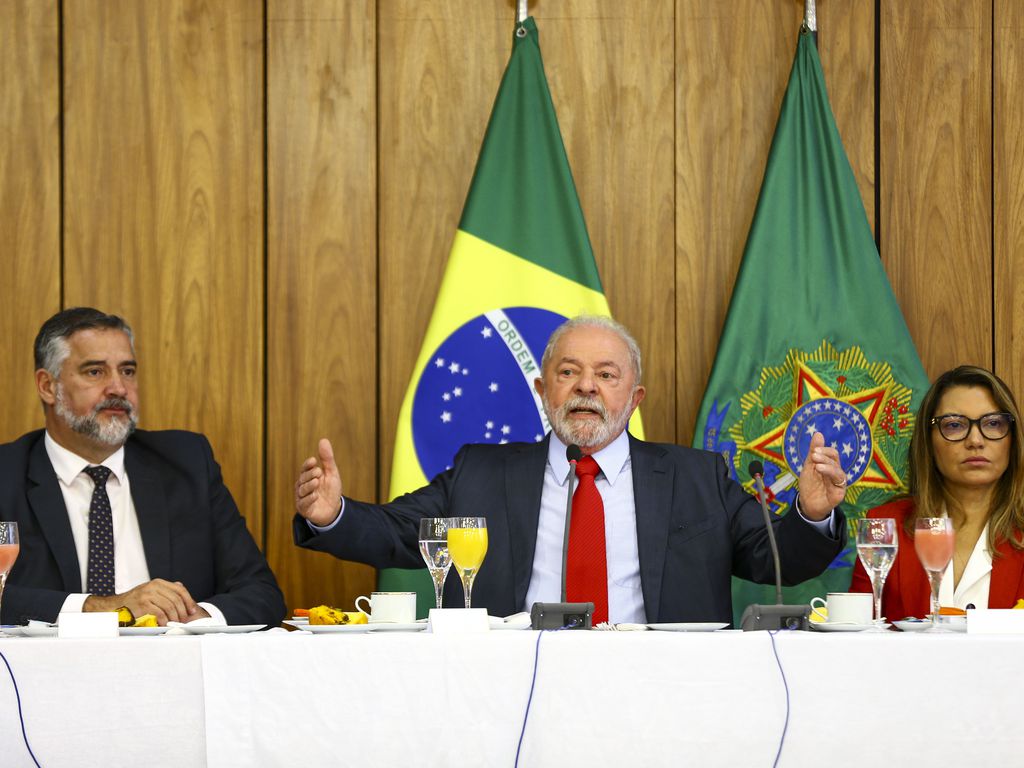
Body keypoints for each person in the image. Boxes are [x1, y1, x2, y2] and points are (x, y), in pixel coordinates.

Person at [294, 315, 848, 624]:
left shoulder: (697, 476)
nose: (587, 386)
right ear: (543, 391)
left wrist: (812, 513)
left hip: (663, 691)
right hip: (516, 688)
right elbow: (397, 534)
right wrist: (332, 514)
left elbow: (772, 557)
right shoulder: (481, 473)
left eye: (606, 375)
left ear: (634, 398)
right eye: (569, 371)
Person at [0, 307, 285, 626]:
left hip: (173, 669)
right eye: (95, 372)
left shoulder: (186, 463)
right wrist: (103, 608)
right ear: (47, 386)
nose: (118, 388)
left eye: (128, 371)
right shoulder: (6, 476)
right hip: (41, 674)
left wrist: (190, 616)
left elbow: (261, 593)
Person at [850, 366, 1024, 617]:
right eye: (954, 425)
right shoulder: (886, 526)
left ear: (1013, 439)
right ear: (928, 440)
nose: (975, 440)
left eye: (993, 423)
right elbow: (855, 636)